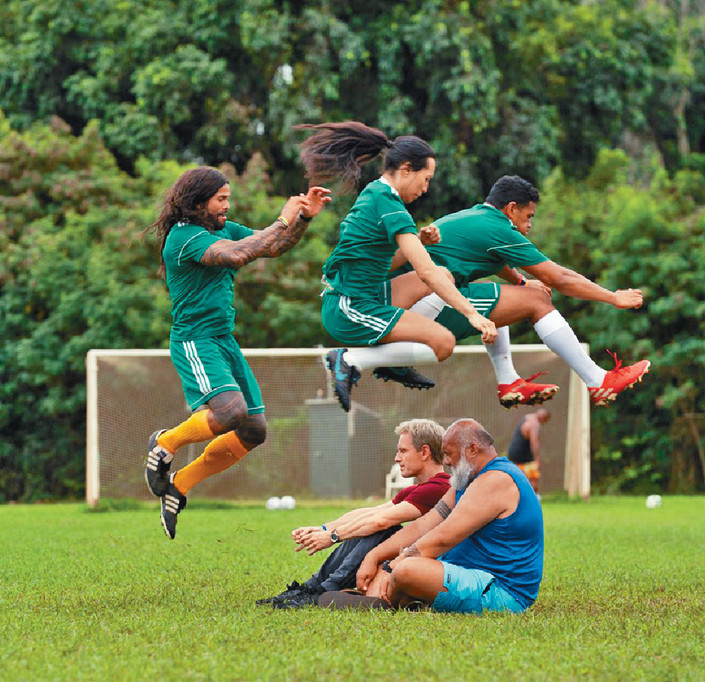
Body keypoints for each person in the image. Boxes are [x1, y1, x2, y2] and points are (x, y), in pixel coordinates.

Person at [144, 167, 331, 539]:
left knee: (254, 430)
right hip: (195, 340)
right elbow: (241, 254)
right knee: (230, 412)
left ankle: (180, 485)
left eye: (228, 198)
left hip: (223, 341)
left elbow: (272, 246)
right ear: (198, 202)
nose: (227, 205)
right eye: (221, 199)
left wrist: (304, 218)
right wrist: (282, 217)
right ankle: (165, 442)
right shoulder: (185, 238)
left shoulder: (220, 228)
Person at [295, 121, 498, 411]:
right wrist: (471, 314)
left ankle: (395, 360)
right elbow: (425, 272)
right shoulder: (390, 206)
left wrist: (419, 242)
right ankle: (350, 360)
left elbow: (383, 263)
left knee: (443, 273)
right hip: (348, 308)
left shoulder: (376, 193)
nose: (425, 188)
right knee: (443, 343)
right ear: (405, 170)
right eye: (425, 179)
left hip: (363, 295)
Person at [400, 175, 651, 408]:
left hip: (411, 303)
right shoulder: (498, 229)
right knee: (537, 299)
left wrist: (521, 282)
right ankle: (598, 380)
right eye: (528, 216)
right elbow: (558, 277)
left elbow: (495, 260)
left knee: (508, 299)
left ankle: (509, 380)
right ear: (511, 209)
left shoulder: (475, 217)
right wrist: (612, 297)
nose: (530, 224)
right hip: (418, 307)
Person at [324, 418, 542, 613]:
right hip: (465, 573)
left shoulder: (496, 480)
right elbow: (423, 525)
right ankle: (399, 597)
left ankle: (392, 602)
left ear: (472, 449)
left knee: (406, 569)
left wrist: (392, 567)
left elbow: (443, 537)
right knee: (395, 562)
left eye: (449, 454)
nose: (446, 462)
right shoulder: (466, 480)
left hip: (501, 592)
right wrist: (375, 557)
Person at [256, 419, 450, 609]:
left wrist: (333, 536)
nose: (397, 458)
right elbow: (371, 512)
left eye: (403, 451)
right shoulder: (419, 489)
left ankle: (322, 590)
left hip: (430, 568)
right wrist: (325, 529)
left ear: (424, 452)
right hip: (411, 559)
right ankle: (310, 589)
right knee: (367, 525)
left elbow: (382, 521)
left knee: (379, 529)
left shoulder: (438, 487)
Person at [507, 407, 549, 493]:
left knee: (514, 479)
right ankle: (533, 498)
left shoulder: (528, 417)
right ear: (544, 419)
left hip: (512, 452)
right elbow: (534, 443)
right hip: (522, 454)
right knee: (533, 478)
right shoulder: (535, 424)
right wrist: (537, 460)